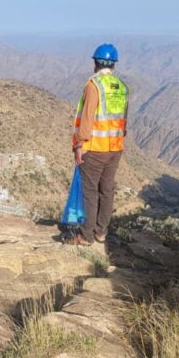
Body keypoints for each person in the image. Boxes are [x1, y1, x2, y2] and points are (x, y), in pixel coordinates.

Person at [67, 43, 129, 246]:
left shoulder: (94, 85)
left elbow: (87, 118)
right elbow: (124, 120)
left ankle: (86, 236)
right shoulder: (122, 86)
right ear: (113, 64)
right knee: (107, 190)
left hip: (94, 148)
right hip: (115, 147)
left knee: (90, 192)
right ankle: (101, 232)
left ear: (95, 63)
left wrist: (79, 145)